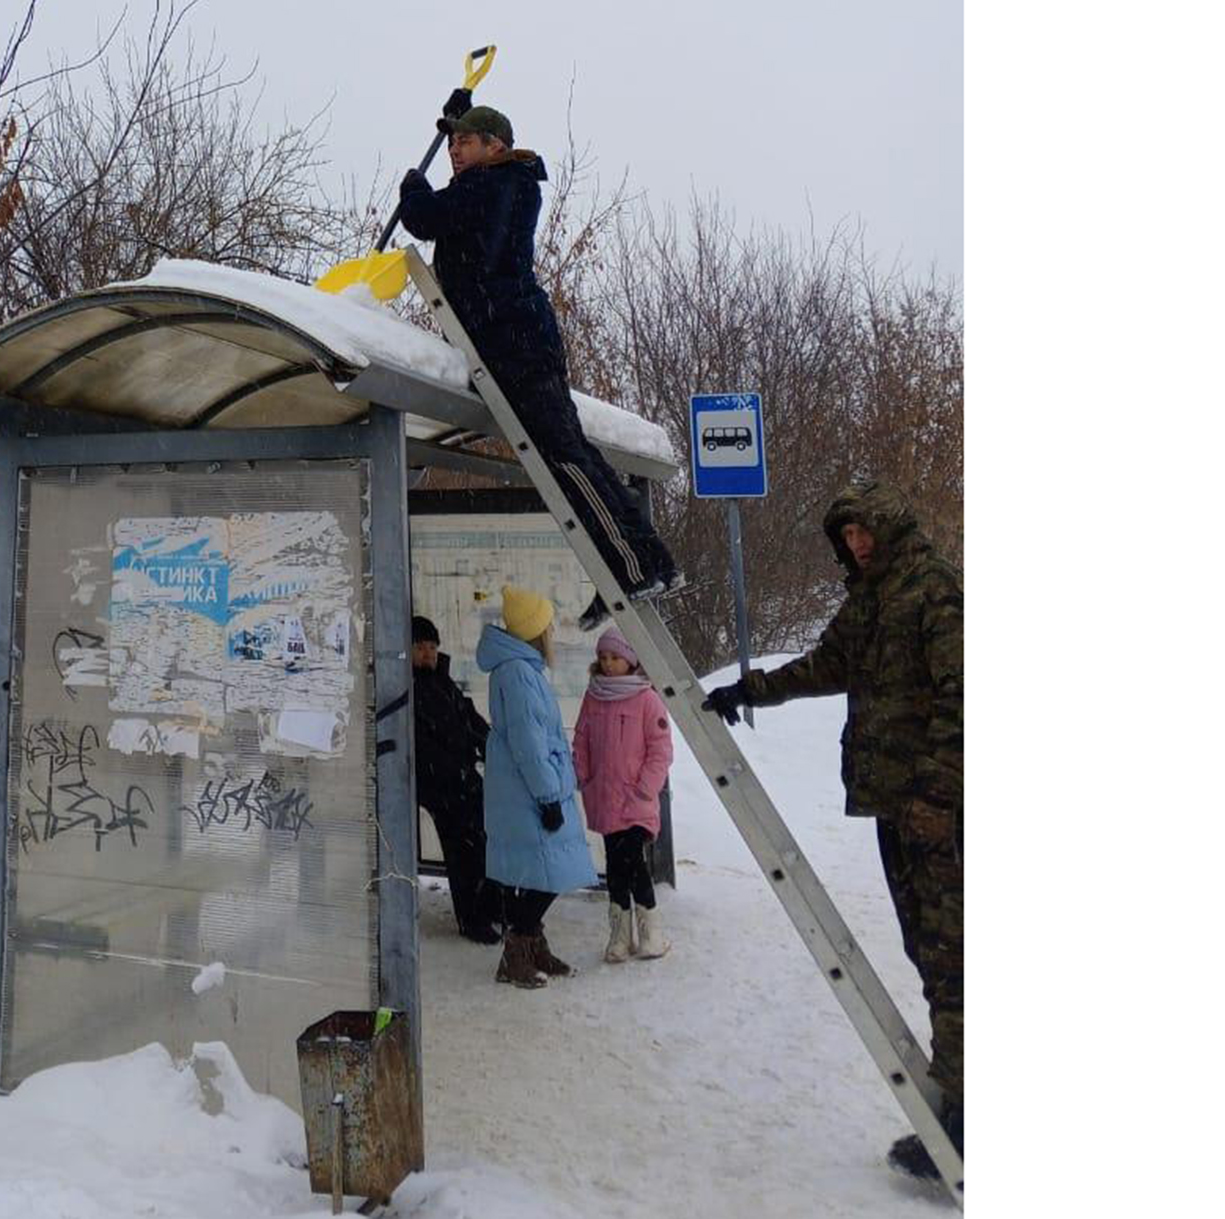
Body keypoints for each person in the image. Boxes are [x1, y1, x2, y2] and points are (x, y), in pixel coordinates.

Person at [702, 479, 963, 1180]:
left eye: (864, 530)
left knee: (956, 956)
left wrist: (941, 795)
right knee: (930, 952)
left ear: (889, 523)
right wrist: (748, 689)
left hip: (943, 813)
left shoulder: (933, 588)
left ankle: (966, 1123)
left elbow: (965, 695)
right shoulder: (870, 598)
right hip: (898, 808)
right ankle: (962, 1102)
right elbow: (826, 666)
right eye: (846, 536)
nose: (857, 543)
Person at [396, 99, 679, 630]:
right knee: (573, 456)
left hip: (513, 343)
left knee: (567, 459)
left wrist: (414, 184)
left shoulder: (491, 185)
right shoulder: (505, 185)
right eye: (451, 143)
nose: (455, 151)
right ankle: (633, 563)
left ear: (494, 147)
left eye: (465, 142)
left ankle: (636, 564)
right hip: (520, 337)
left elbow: (424, 218)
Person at [476, 585, 595, 988]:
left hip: (518, 786)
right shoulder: (519, 673)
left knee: (528, 874)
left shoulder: (516, 669)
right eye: (546, 626)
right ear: (535, 631)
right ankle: (518, 951)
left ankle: (531, 947)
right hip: (530, 789)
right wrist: (548, 796)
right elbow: (530, 742)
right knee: (551, 873)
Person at [573, 626, 675, 964]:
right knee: (616, 866)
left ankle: (651, 932)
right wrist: (584, 776)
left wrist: (646, 788)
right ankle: (619, 935)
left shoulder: (647, 699)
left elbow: (660, 750)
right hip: (604, 798)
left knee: (632, 862)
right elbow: (582, 740)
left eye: (615, 657)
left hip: (636, 802)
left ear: (630, 660)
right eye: (603, 657)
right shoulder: (594, 696)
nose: (608, 663)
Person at [411, 615, 502, 944]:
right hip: (440, 785)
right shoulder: (409, 688)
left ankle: (490, 906)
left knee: (486, 841)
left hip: (462, 779)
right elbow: (422, 744)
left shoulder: (442, 682)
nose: (428, 654)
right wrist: (456, 771)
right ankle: (473, 917)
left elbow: (470, 719)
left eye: (432, 647)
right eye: (420, 647)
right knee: (464, 849)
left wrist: (492, 747)